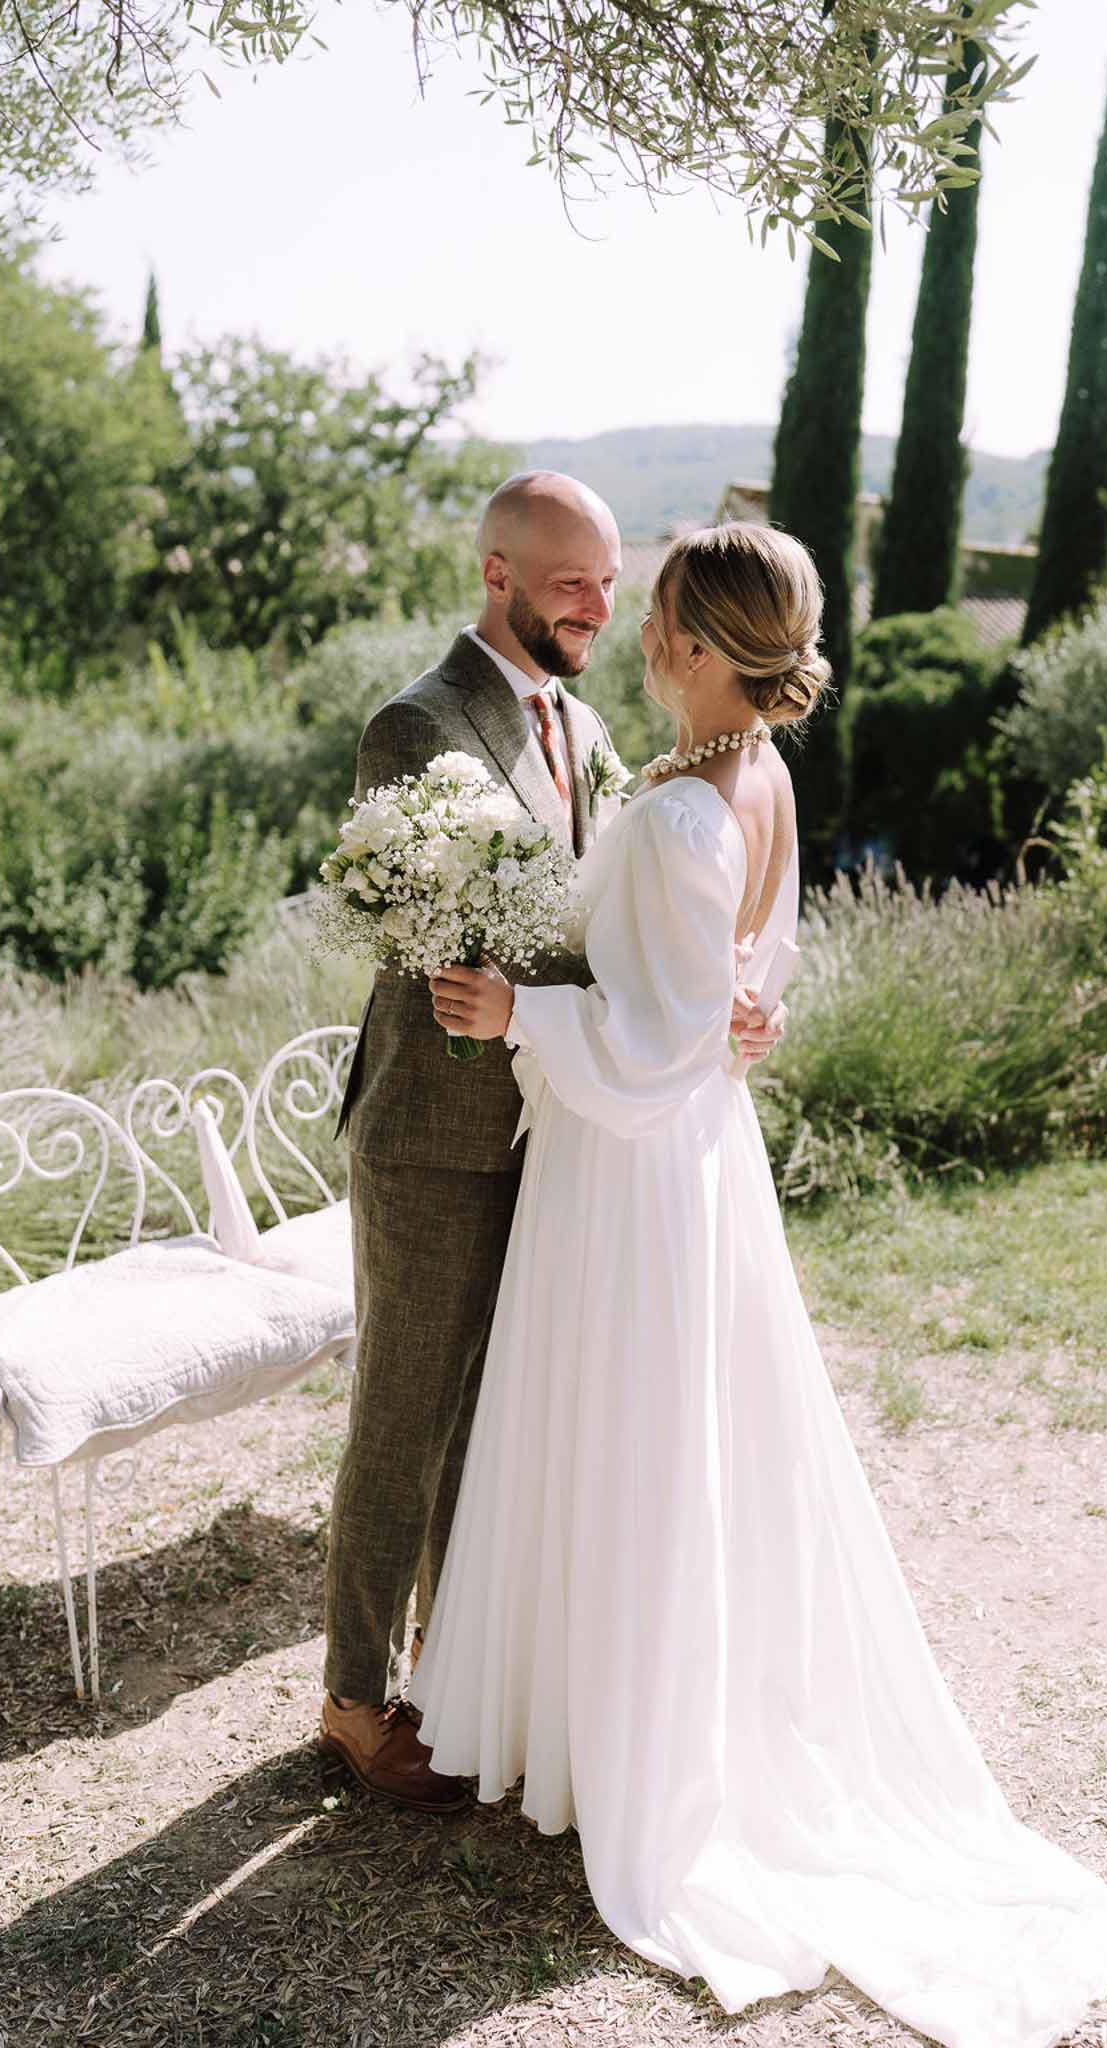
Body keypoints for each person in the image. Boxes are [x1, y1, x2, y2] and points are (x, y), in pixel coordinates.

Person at [411, 522, 1107, 2043]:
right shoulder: (749, 773)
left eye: (656, 608)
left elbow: (668, 1031)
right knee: (654, 1443)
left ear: (693, 637)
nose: (635, 629)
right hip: (680, 1162)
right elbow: (759, 980)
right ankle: (595, 1726)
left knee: (630, 1442)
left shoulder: (695, 805)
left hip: (635, 1174)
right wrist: (714, 1006)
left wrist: (516, 1018)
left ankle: (630, 1754)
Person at [319, 475, 781, 1814]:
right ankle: (353, 1702)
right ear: (497, 576)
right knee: (403, 1419)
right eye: (570, 579)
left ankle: (454, 1670)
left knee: (494, 1419)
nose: (598, 603)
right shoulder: (420, 725)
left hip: (564, 1122)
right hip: (437, 1125)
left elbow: (611, 917)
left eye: (610, 578)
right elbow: (471, 925)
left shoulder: (584, 723)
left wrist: (707, 996)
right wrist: (654, 1011)